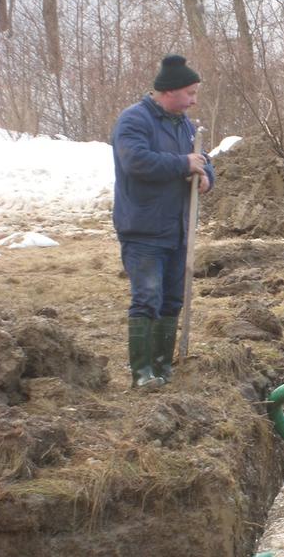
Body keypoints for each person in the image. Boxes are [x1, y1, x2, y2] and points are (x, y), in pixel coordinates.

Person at [112, 54, 215, 389]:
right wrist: (183, 164)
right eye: (190, 93)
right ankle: (141, 373)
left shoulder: (183, 125)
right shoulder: (134, 120)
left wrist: (206, 176)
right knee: (147, 297)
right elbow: (136, 162)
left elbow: (202, 159)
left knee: (172, 299)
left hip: (178, 227)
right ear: (169, 91)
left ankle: (162, 369)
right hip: (143, 228)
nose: (194, 100)